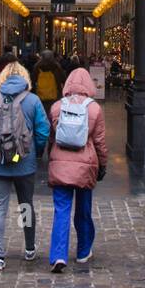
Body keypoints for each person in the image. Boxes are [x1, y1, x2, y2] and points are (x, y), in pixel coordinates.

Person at [0, 60, 50, 269]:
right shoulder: (33, 100)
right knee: (25, 205)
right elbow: (43, 130)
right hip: (24, 163)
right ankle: (29, 248)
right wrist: (34, 151)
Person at [47, 67, 108, 273]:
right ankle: (83, 251)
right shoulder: (95, 109)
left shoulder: (56, 107)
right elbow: (99, 142)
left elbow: (51, 137)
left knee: (61, 210)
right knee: (83, 210)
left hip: (61, 164)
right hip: (86, 165)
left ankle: (58, 255)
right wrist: (103, 164)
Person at [32, 51, 65, 122]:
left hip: (40, 95)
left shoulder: (37, 66)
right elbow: (63, 79)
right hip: (55, 94)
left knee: (42, 113)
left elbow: (33, 80)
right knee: (54, 113)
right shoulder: (56, 66)